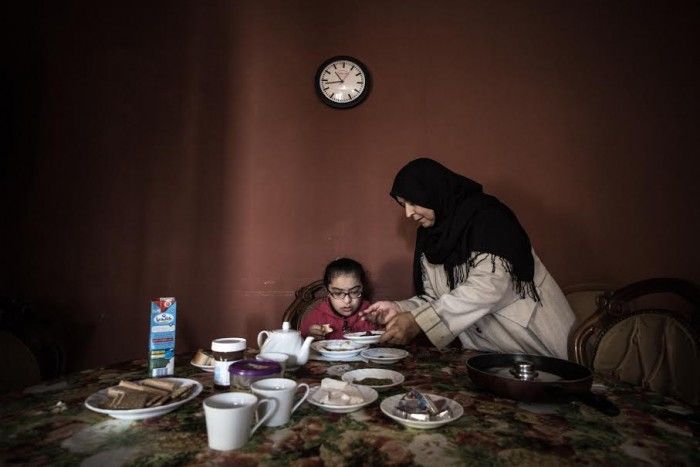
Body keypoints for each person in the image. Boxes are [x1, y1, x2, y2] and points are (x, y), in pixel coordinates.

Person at [360, 158, 575, 359]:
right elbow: (435, 298)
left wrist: (419, 321)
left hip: (533, 346)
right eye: (402, 204)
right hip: (487, 353)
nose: (408, 213)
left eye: (413, 202)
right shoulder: (430, 237)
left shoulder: (489, 218)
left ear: (433, 192)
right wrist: (398, 309)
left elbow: (487, 286)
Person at [300, 258, 378, 340]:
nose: (347, 300)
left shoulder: (371, 314)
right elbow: (300, 343)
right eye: (338, 293)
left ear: (362, 288)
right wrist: (309, 338)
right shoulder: (316, 316)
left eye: (354, 292)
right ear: (328, 291)